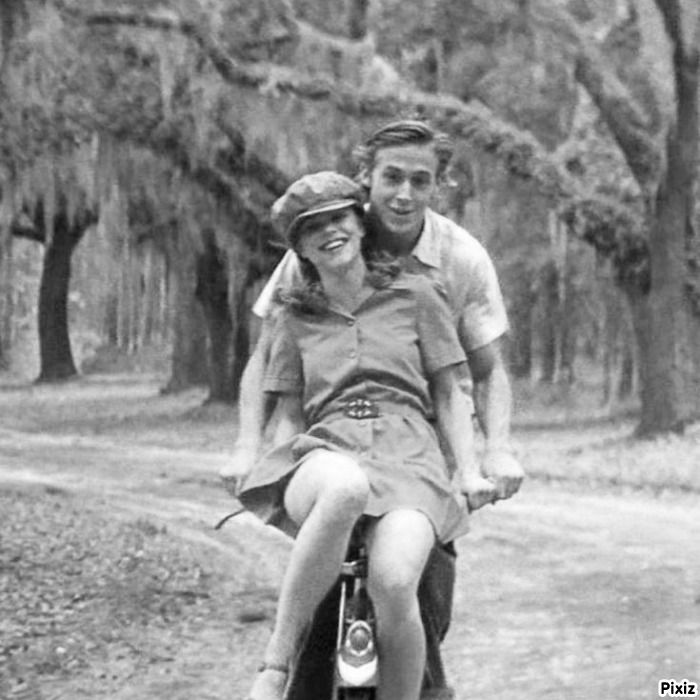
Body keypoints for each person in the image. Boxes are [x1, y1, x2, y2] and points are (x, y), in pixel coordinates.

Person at [222, 120, 525, 700]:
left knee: (407, 589)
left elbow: (472, 377)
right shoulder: (304, 278)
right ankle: (277, 669)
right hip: (330, 452)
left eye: (420, 180)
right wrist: (249, 450)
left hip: (414, 456)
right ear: (368, 184)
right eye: (392, 178)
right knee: (339, 512)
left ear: (439, 184)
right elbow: (269, 370)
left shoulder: (447, 269)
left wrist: (487, 456)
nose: (404, 194)